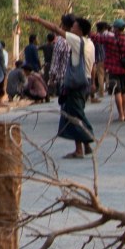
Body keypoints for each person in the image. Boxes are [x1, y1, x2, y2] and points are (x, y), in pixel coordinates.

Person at [30, 13, 94, 158]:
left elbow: (55, 29)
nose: (72, 29)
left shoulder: (77, 41)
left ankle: (86, 140)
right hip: (86, 82)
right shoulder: (90, 44)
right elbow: (93, 65)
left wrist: (38, 19)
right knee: (75, 113)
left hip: (75, 84)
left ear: (80, 30)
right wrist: (94, 83)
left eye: (74, 27)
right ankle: (84, 145)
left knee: (74, 115)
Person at [103, 19, 125, 121]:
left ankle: (121, 114)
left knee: (117, 91)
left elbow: (97, 38)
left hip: (113, 69)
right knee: (124, 91)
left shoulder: (110, 40)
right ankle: (124, 113)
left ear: (116, 29)